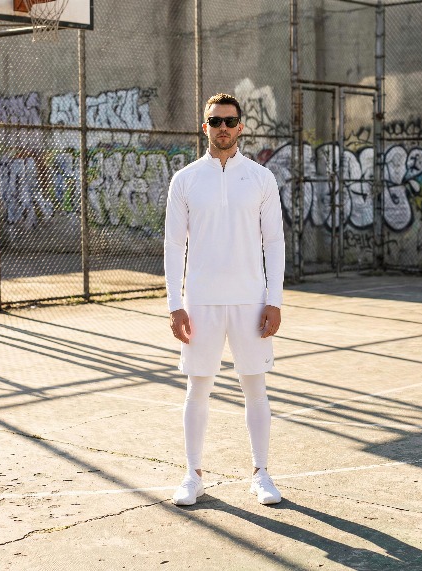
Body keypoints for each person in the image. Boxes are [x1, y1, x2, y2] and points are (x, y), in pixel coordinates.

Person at [164, 93, 286, 507]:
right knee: (197, 388)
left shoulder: (260, 179)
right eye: (215, 121)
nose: (223, 128)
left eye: (230, 121)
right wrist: (174, 304)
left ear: (241, 127)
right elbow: (172, 245)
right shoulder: (185, 179)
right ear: (205, 127)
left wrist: (275, 299)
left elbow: (275, 242)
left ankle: (261, 473)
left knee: (256, 388)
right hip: (201, 302)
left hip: (251, 301)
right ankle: (193, 475)